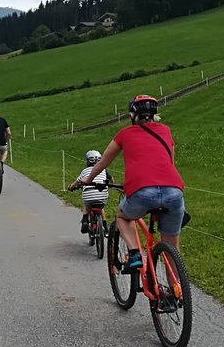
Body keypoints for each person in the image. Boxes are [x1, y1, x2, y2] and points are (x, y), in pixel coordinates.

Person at [68, 94, 184, 273]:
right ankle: (175, 296)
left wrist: (87, 180)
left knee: (123, 217)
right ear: (154, 114)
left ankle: (135, 253)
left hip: (142, 191)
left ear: (133, 115)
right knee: (172, 249)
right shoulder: (165, 131)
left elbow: (103, 163)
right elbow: (170, 163)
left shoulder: (124, 134)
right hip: (174, 191)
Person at [72, 150, 110, 235]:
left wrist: (71, 187)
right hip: (102, 196)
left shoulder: (84, 171)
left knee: (86, 205)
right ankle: (105, 226)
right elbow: (111, 180)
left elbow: (77, 182)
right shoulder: (104, 170)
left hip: (88, 196)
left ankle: (85, 221)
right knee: (101, 208)